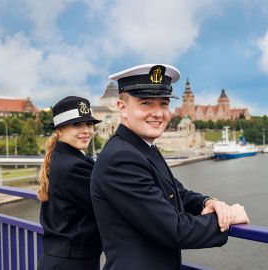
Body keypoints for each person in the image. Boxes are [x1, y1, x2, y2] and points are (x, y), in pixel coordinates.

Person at [91, 64, 250, 270]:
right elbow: (175, 230)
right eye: (146, 103)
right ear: (122, 108)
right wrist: (228, 218)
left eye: (164, 104)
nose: (158, 113)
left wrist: (208, 203)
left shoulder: (140, 147)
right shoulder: (121, 158)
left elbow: (177, 193)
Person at [37, 96, 102, 270]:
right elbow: (105, 205)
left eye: (89, 124)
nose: (86, 130)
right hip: (72, 262)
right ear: (59, 131)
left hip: (60, 258)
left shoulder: (64, 157)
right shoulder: (73, 166)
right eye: (77, 125)